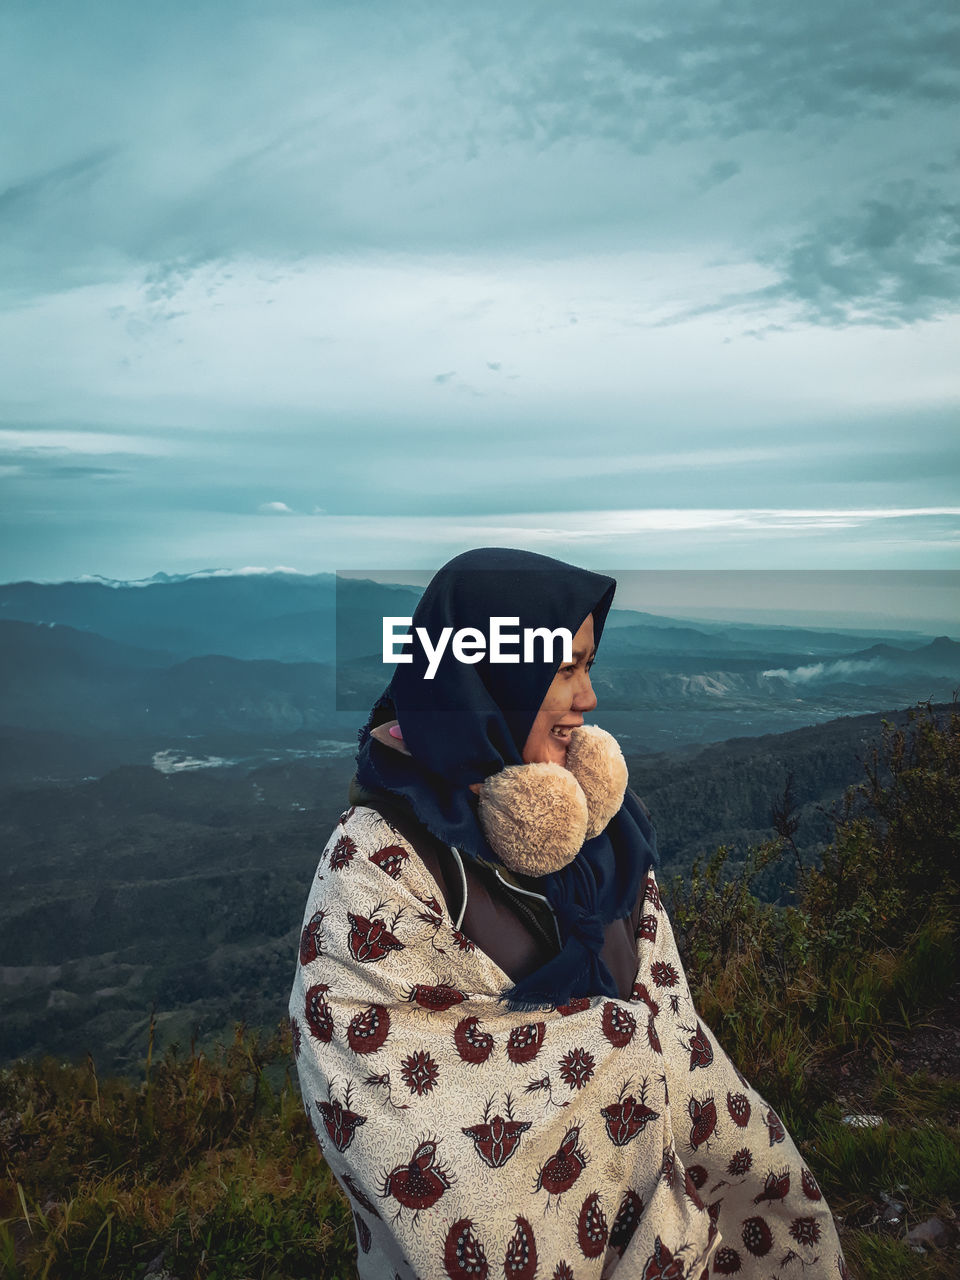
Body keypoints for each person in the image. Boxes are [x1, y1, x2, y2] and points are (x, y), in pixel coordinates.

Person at [289, 547, 852, 1279]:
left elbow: (673, 1029)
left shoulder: (602, 838)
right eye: (565, 669)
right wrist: (610, 1051)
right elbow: (384, 1100)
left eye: (589, 665)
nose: (587, 698)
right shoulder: (373, 869)